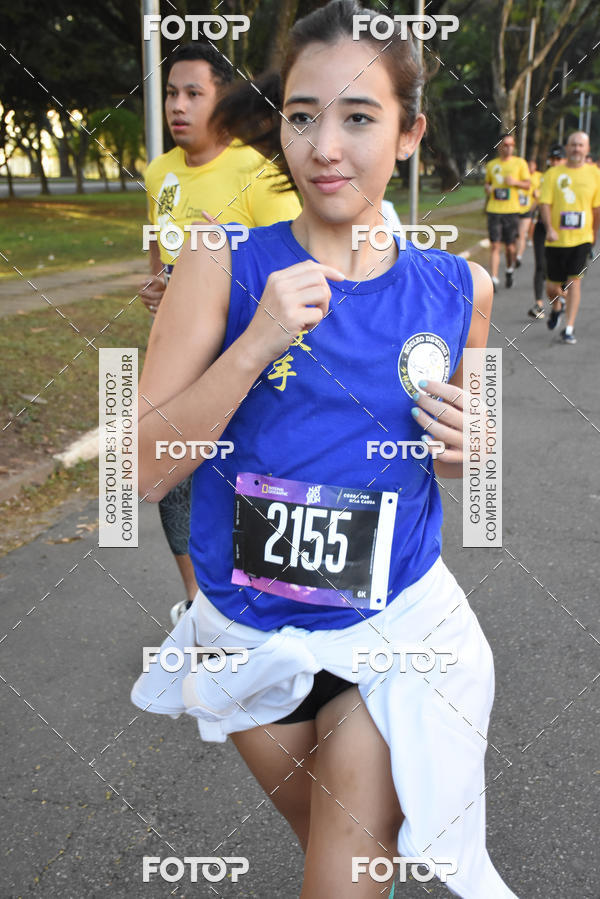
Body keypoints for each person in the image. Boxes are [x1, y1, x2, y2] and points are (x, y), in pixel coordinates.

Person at [132, 3, 518, 897]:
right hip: (245, 643)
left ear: (411, 132)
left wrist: (475, 451)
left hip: (394, 638)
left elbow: (476, 476)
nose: (325, 146)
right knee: (348, 863)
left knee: (341, 879)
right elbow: (138, 473)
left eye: (359, 117)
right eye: (303, 116)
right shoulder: (218, 262)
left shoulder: (465, 287)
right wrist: (256, 339)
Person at [140, 42, 301, 623]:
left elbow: (294, 269)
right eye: (171, 92)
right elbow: (161, 260)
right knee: (173, 480)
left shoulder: (258, 173)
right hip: (183, 358)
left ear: (221, 100)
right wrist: (162, 291)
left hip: (250, 360)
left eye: (194, 93)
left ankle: (266, 595)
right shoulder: (159, 173)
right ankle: (196, 599)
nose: (178, 106)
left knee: (245, 476)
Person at [539, 131, 600, 344]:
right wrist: (550, 228)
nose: (576, 149)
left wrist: (593, 234)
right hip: (556, 239)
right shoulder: (553, 173)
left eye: (580, 145)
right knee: (551, 287)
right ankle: (558, 305)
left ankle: (569, 328)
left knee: (574, 281)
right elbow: (544, 203)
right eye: (573, 144)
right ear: (567, 147)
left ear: (587, 149)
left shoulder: (594, 174)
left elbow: (596, 208)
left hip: (581, 239)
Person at [484, 134, 530, 291]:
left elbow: (528, 185)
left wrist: (515, 182)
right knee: (495, 245)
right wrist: (488, 189)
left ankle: (509, 270)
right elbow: (488, 184)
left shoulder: (520, 163)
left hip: (511, 211)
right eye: (505, 145)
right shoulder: (491, 165)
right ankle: (494, 278)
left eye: (511, 145)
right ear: (499, 146)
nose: (509, 148)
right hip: (494, 210)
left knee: (510, 247)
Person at [527, 144, 565, 320]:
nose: (555, 162)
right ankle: (538, 304)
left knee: (559, 266)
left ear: (564, 160)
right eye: (553, 159)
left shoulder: (568, 180)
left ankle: (561, 296)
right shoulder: (544, 178)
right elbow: (538, 201)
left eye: (559, 159)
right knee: (540, 265)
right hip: (542, 227)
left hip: (563, 229)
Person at [515, 159, 541, 265]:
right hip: (515, 210)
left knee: (522, 233)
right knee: (517, 234)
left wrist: (535, 203)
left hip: (529, 209)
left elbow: (538, 193)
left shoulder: (538, 177)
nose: (530, 168)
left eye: (532, 165)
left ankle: (519, 256)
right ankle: (516, 253)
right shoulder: (518, 177)